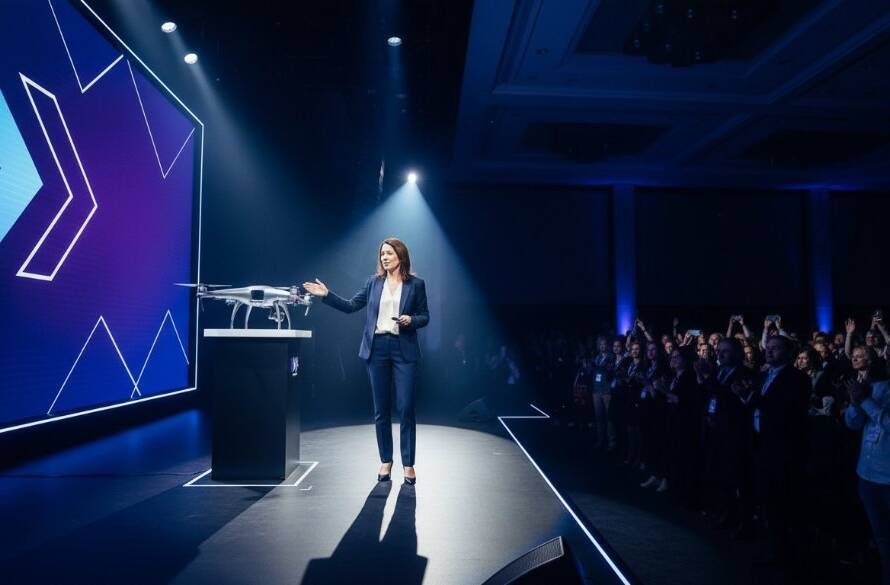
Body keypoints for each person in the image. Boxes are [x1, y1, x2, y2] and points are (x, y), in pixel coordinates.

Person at [303, 238, 429, 485]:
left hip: (404, 350)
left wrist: (410, 320)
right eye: (382, 254)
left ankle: (409, 464)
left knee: (405, 409)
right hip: (377, 348)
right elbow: (351, 306)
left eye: (389, 253)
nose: (384, 257)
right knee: (381, 410)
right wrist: (326, 295)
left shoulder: (416, 284)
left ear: (400, 256)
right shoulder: (373, 283)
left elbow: (425, 316)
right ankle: (386, 460)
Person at [845, 373, 890, 585]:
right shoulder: (878, 386)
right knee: (881, 536)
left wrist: (865, 401)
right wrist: (855, 404)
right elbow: (853, 423)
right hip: (867, 474)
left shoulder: (871, 393)